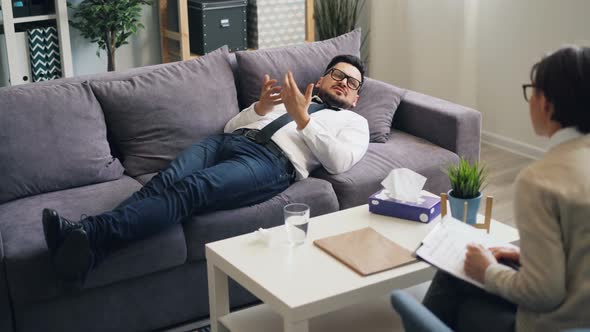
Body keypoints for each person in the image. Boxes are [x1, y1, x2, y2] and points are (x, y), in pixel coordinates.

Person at [42, 55, 370, 285]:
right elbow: (231, 126)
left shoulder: (354, 122)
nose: (343, 82)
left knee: (192, 188)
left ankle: (88, 232)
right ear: (324, 77)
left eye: (351, 82)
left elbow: (339, 161)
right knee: (164, 182)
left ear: (355, 98)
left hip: (269, 163)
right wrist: (260, 108)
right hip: (224, 143)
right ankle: (86, 254)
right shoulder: (291, 97)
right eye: (338, 75)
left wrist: (305, 120)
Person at [422, 45, 590, 332]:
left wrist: (487, 269)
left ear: (546, 104)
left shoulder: (539, 180)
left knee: (456, 278)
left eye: (532, 90)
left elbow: (543, 294)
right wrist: (527, 258)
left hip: (553, 324)